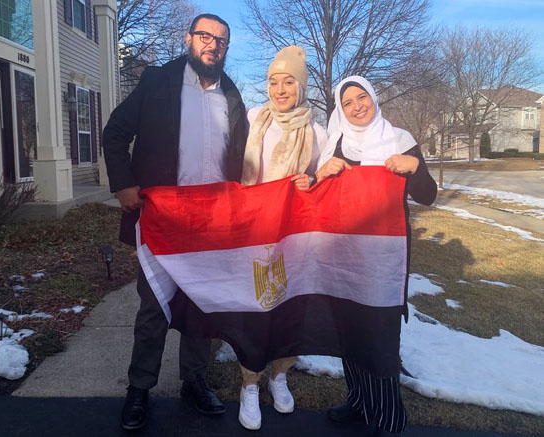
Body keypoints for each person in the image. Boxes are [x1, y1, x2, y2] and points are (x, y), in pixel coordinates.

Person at [102, 14, 247, 431]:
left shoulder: (232, 96)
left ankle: (193, 380)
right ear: (189, 39)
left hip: (213, 224)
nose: (212, 45)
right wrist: (124, 184)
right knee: (154, 307)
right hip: (161, 218)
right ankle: (139, 387)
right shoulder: (158, 82)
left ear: (225, 48)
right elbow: (114, 132)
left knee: (203, 305)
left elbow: (245, 160)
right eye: (205, 36)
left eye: (221, 40)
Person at [315, 76, 437, 436]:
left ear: (373, 97)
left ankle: (387, 417)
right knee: (349, 328)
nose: (356, 106)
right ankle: (358, 400)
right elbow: (318, 198)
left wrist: (414, 169)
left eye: (361, 97)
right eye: (348, 101)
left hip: (384, 255)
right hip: (344, 254)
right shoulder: (336, 143)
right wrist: (322, 174)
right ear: (341, 108)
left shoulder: (400, 140)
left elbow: (427, 195)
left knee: (379, 334)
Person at [238, 46, 328, 431]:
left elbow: (325, 184)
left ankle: (279, 376)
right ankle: (249, 384)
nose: (279, 89)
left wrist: (313, 180)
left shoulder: (317, 132)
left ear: (301, 87)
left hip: (292, 238)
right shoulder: (253, 117)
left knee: (289, 311)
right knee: (255, 312)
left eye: (288, 81)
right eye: (274, 81)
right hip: (252, 232)